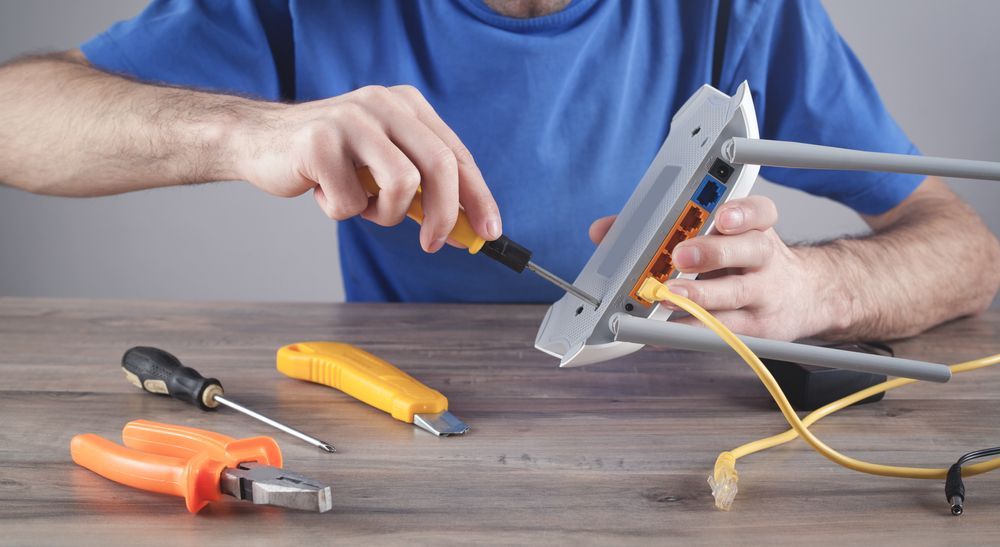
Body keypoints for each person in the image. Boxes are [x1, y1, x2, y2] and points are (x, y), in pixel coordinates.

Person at [0, 0, 996, 342]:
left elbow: (966, 251)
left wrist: (812, 289)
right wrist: (248, 133)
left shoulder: (741, 10)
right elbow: (16, 113)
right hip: (412, 438)